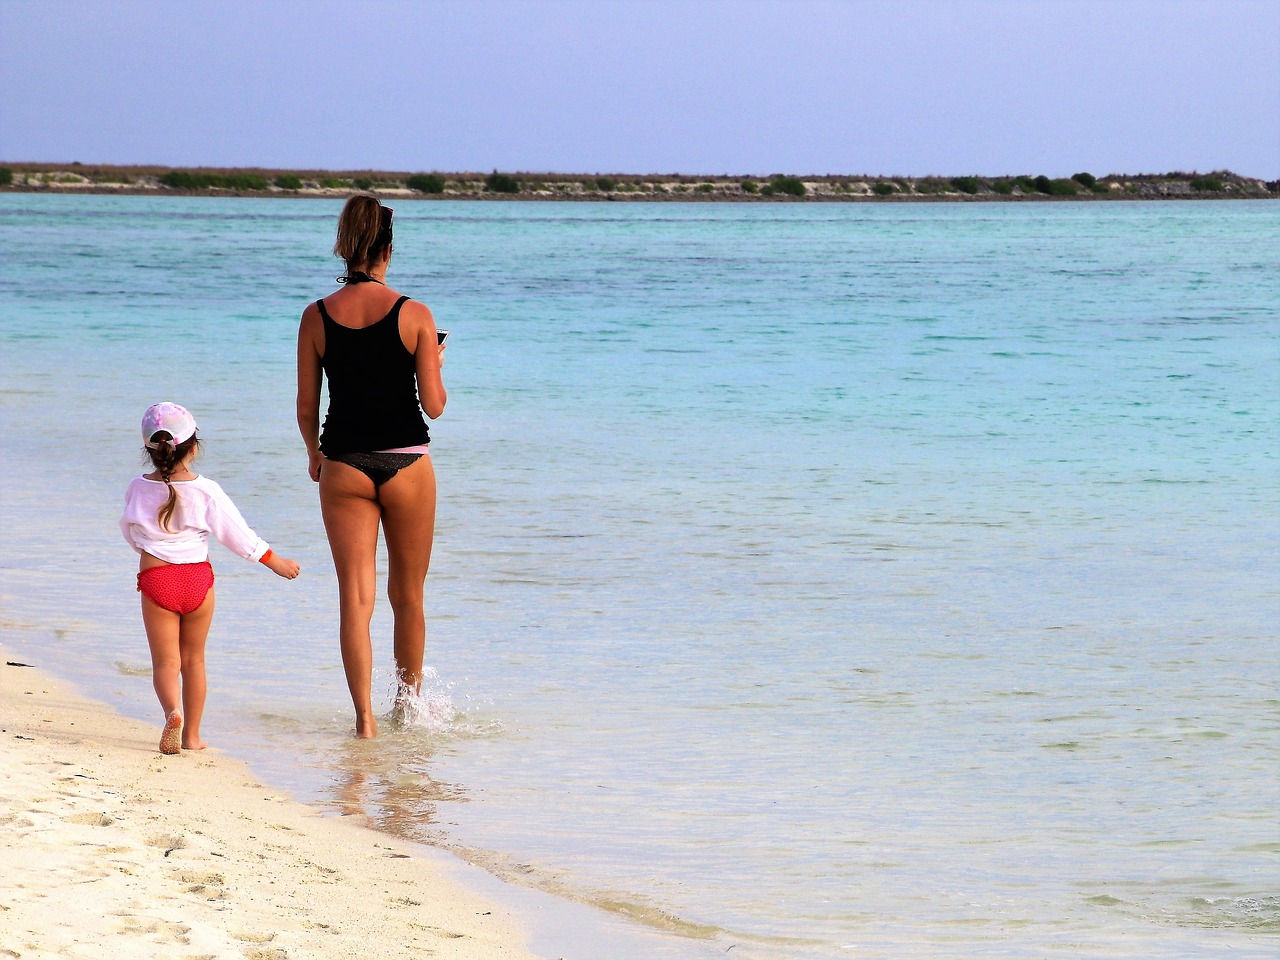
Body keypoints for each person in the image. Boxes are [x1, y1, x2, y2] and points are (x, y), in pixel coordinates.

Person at [296, 196, 447, 738]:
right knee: (408, 598)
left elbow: (306, 408)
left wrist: (314, 454)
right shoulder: (415, 313)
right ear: (388, 249)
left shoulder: (316, 316)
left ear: (345, 246)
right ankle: (408, 709)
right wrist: (436, 362)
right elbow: (434, 405)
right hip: (406, 463)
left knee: (355, 601)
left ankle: (364, 722)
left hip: (343, 464)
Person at [121, 402, 301, 754]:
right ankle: (192, 736)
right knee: (194, 661)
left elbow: (130, 532)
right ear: (194, 448)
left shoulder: (137, 488)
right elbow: (237, 534)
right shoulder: (207, 490)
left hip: (157, 578)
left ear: (150, 450)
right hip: (197, 582)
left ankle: (172, 713)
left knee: (166, 663)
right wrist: (274, 561)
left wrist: (147, 549)